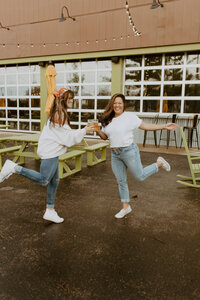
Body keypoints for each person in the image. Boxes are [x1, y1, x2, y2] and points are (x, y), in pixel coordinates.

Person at [0, 88, 94, 223]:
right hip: (50, 153)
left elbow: (65, 135)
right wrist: (84, 130)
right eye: (69, 99)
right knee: (44, 180)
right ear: (62, 100)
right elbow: (67, 139)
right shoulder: (58, 115)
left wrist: (83, 130)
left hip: (54, 153)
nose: (72, 101)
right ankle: (14, 167)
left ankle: (50, 211)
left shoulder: (60, 113)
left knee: (55, 181)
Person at [96, 93, 179, 219]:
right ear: (111, 104)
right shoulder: (108, 119)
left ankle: (159, 163)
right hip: (115, 154)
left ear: (124, 105)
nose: (117, 105)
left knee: (140, 176)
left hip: (129, 151)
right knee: (121, 181)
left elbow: (145, 126)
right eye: (115, 102)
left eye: (120, 103)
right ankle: (126, 207)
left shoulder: (129, 117)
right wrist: (97, 130)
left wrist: (164, 126)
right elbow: (106, 137)